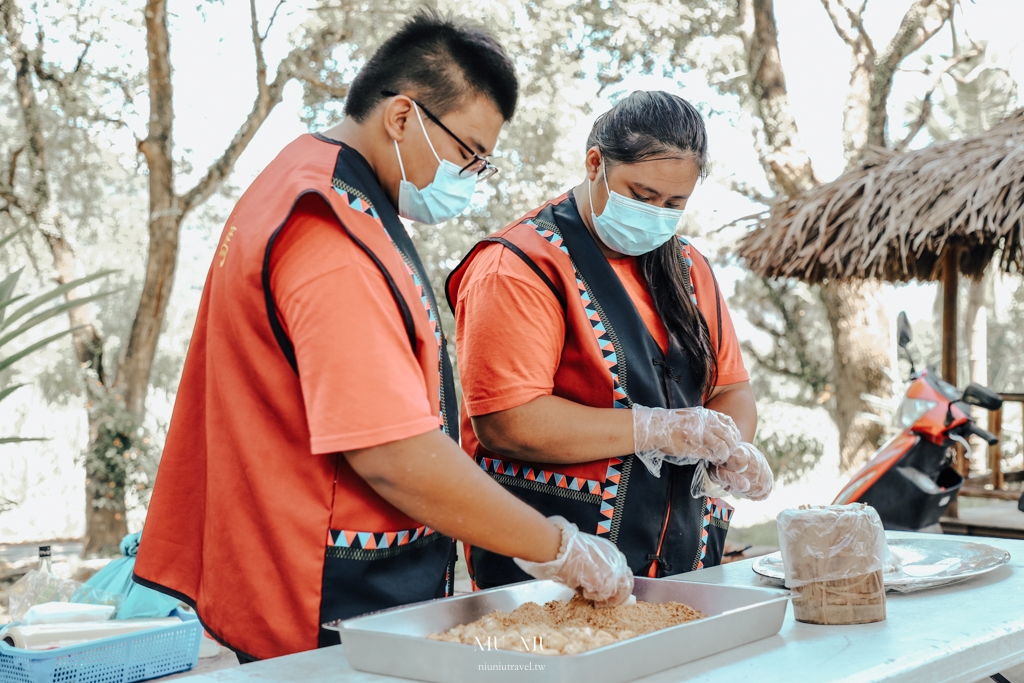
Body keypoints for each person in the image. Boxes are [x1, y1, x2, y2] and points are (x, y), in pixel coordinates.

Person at [133, 11, 632, 663]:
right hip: (318, 598)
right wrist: (557, 546)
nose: (470, 178)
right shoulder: (332, 231)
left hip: (288, 568)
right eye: (468, 154)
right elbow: (395, 455)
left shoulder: (301, 179)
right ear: (402, 117)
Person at [446, 91, 774, 591]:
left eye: (674, 204)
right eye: (642, 196)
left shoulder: (690, 270)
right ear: (595, 163)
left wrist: (730, 447)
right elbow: (509, 423)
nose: (657, 215)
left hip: (683, 563)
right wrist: (655, 429)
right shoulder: (518, 266)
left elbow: (729, 390)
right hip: (556, 566)